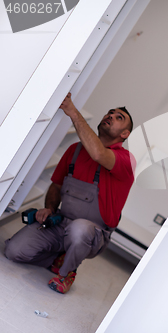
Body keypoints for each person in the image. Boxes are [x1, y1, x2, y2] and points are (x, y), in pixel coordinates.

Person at [4, 93, 135, 294]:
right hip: (62, 223)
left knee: (80, 229)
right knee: (14, 251)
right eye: (110, 112)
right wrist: (49, 208)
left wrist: (72, 112)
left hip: (93, 234)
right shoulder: (75, 150)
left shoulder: (125, 160)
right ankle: (57, 259)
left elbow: (99, 154)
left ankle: (66, 273)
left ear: (124, 134)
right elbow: (56, 185)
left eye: (119, 117)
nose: (111, 115)